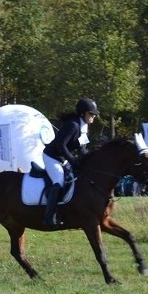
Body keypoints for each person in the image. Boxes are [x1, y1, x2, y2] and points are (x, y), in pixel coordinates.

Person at [41, 97, 98, 227]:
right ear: (83, 113)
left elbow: (82, 148)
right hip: (51, 156)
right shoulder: (72, 125)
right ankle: (48, 217)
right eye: (91, 114)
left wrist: (87, 163)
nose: (94, 116)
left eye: (94, 114)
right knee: (59, 182)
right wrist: (73, 161)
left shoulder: (84, 128)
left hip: (63, 158)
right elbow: (61, 145)